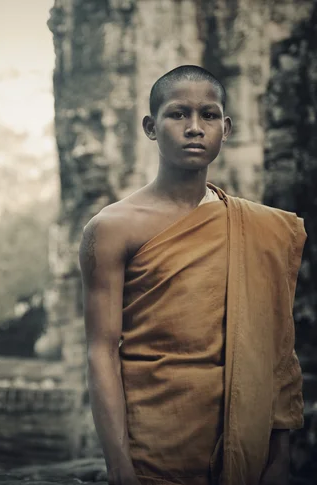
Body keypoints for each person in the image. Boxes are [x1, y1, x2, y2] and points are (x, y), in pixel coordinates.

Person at [79, 65, 305, 485]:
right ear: (151, 126)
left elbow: (277, 350)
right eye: (179, 114)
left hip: (247, 448)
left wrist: (279, 456)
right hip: (156, 445)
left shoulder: (262, 228)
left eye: (210, 115)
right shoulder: (112, 228)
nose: (195, 128)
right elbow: (101, 350)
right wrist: (119, 465)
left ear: (227, 127)